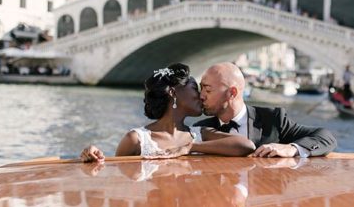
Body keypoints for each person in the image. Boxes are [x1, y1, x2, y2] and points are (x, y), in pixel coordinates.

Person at [81, 63, 255, 162]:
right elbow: (116, 174)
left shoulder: (199, 134)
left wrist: (189, 147)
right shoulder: (136, 140)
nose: (201, 96)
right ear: (173, 93)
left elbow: (246, 146)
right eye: (195, 88)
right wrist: (94, 156)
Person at [195, 62, 337, 158]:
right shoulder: (200, 129)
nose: (201, 96)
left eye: (207, 90)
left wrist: (292, 148)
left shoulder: (273, 119)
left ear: (232, 93)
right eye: (201, 89)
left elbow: (325, 136)